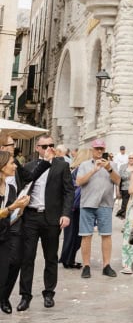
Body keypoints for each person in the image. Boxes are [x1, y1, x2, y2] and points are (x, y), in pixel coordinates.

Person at [16, 134, 74, 309]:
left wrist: (66, 214)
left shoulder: (62, 166)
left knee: (50, 257)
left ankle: (49, 293)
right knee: (27, 257)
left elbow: (68, 192)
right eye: (45, 146)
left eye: (51, 145)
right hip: (31, 216)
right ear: (37, 148)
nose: (49, 148)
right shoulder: (30, 166)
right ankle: (25, 296)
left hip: (52, 217)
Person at [75, 138, 121, 279]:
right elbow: (79, 182)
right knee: (86, 235)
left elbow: (118, 180)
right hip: (87, 203)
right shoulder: (84, 165)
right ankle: (86, 266)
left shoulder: (111, 164)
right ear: (92, 150)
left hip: (105, 204)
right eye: (97, 148)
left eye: (102, 149)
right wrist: (94, 170)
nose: (100, 151)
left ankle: (106, 265)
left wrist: (109, 169)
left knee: (106, 235)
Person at [0, 149, 30, 313]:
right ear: (3, 166)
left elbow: (10, 215)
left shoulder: (10, 188)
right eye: (12, 163)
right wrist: (13, 206)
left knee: (14, 263)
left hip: (6, 232)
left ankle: (4, 297)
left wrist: (21, 208)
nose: (15, 167)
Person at [59, 147, 91, 269]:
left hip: (72, 206)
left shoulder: (74, 169)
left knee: (72, 234)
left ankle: (67, 258)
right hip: (76, 206)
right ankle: (68, 259)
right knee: (74, 235)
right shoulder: (80, 170)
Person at [116, 152, 133, 219]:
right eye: (130, 158)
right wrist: (117, 190)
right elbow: (118, 178)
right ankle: (125, 222)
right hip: (125, 189)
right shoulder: (123, 166)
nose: (131, 159)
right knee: (125, 207)